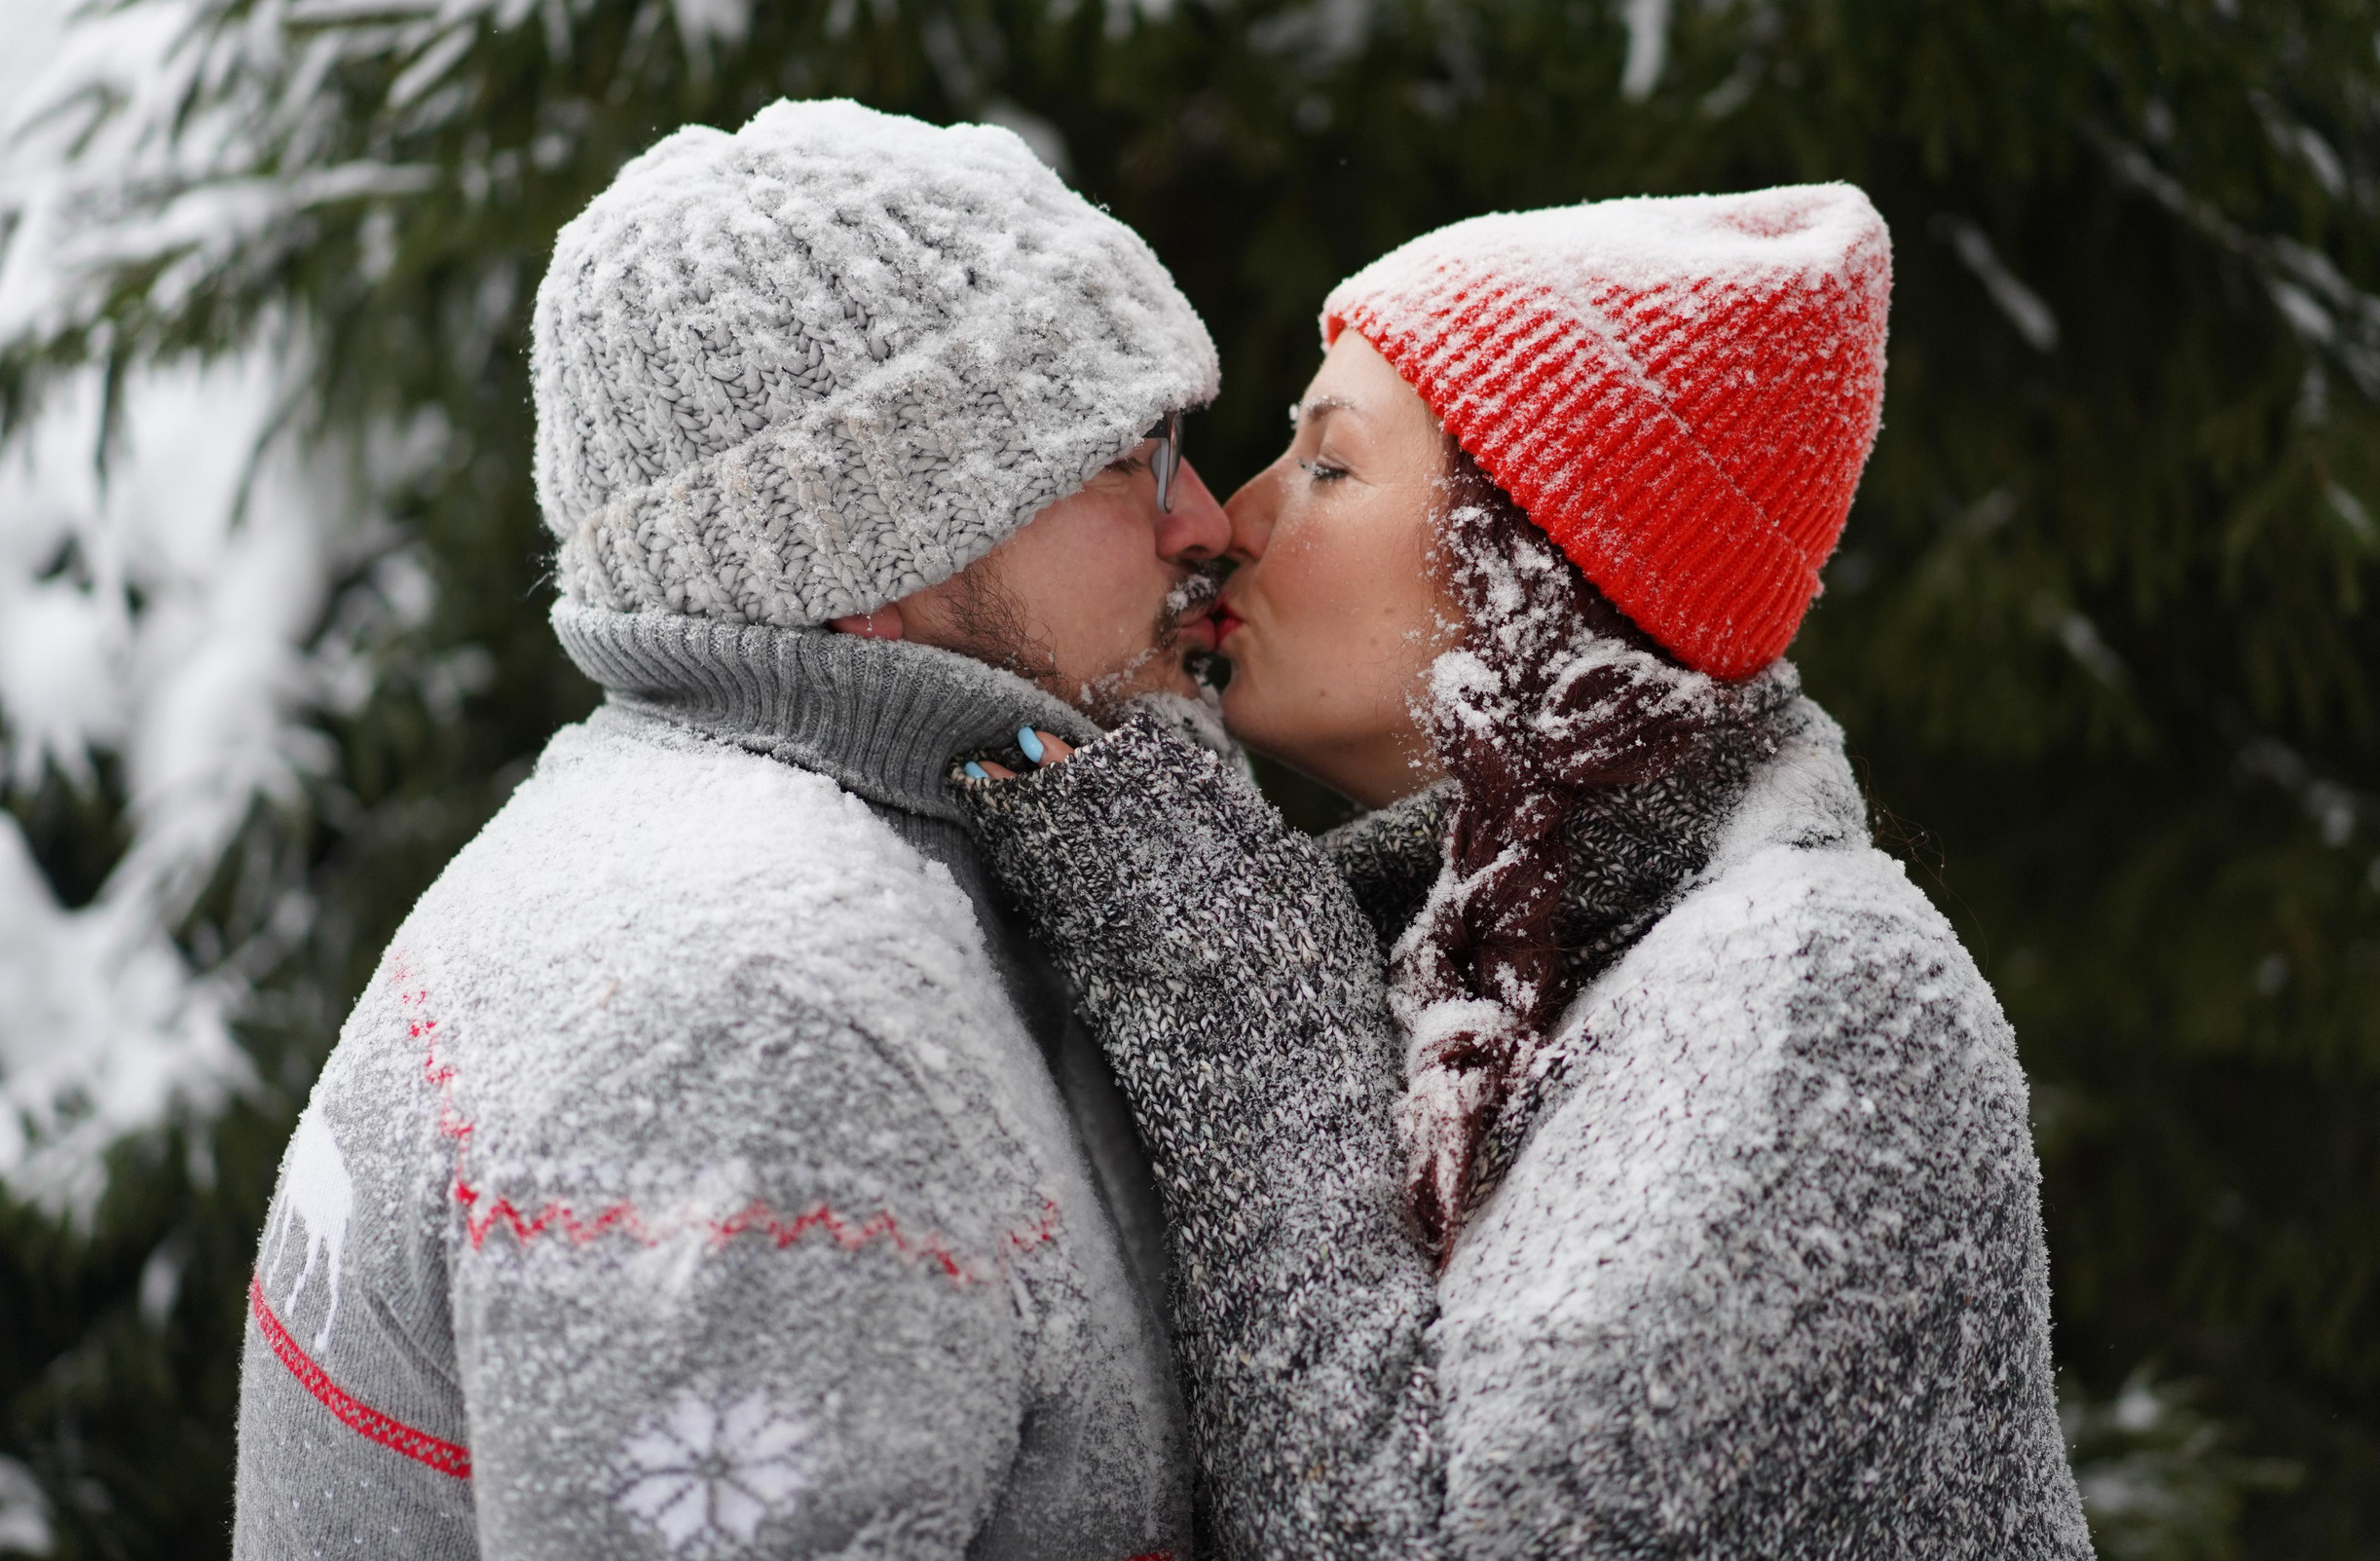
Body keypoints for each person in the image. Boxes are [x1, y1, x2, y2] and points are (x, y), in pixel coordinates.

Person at [960, 187, 2096, 1557]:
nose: (1232, 520)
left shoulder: (1818, 994)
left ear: (1537, 571)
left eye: (1329, 465)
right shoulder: (1486, 968)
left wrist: (1232, 989)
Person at [233, 98, 1234, 1559]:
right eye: (1120, 457)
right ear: (867, 544)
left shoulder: (783, 856)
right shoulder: (761, 1017)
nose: (1203, 519)